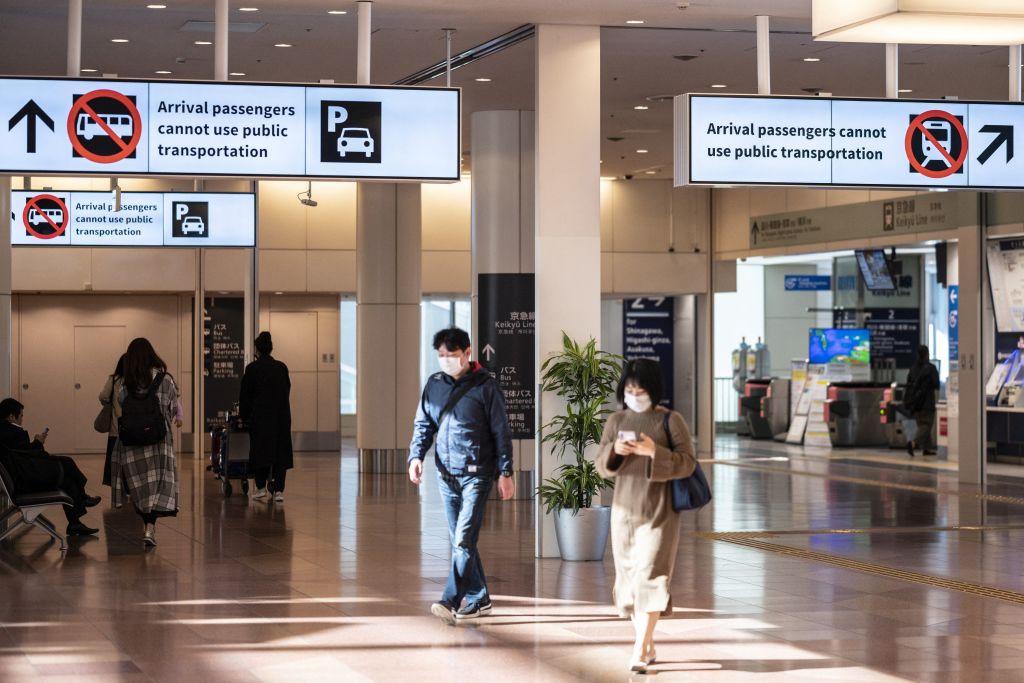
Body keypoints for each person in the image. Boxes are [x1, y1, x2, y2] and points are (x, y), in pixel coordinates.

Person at [595, 358, 697, 673]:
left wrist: (655, 451)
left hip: (660, 512)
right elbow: (600, 465)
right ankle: (648, 642)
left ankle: (639, 648)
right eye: (630, 390)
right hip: (624, 513)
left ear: (653, 390)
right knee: (628, 581)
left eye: (640, 390)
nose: (635, 395)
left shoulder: (671, 420)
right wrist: (615, 452)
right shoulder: (616, 420)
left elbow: (688, 462)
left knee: (651, 576)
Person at [408, 327, 515, 625]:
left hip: (476, 474)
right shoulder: (434, 384)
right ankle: (480, 598)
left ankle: (451, 599)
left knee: (464, 539)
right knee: (460, 540)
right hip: (445, 474)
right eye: (441, 355)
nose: (446, 360)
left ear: (467, 353)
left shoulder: (486, 387)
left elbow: (501, 432)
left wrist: (506, 471)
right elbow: (423, 424)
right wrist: (416, 456)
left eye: (452, 355)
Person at [111, 338, 181, 547]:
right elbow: (172, 408)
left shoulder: (126, 384)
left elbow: (121, 403)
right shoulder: (165, 380)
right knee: (157, 483)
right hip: (158, 440)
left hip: (132, 441)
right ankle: (150, 526)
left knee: (139, 485)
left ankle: (147, 523)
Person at [0, 398, 101, 536]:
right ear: (12, 416)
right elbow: (31, 456)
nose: (22, 419)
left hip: (19, 480)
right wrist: (38, 443)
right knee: (67, 462)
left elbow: (22, 455)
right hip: (24, 483)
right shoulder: (13, 432)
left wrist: (36, 444)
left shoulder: (4, 432)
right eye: (21, 416)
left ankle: (75, 524)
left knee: (68, 481)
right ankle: (83, 498)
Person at [239, 331, 293, 503]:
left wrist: (243, 415)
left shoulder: (252, 369)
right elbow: (287, 390)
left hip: (261, 417)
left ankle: (261, 487)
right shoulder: (281, 367)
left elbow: (245, 396)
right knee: (280, 451)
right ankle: (279, 491)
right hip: (281, 416)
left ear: (256, 350)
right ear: (271, 348)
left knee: (260, 449)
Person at [905, 344, 940, 456]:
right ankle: (913, 443)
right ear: (927, 354)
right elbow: (936, 384)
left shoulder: (912, 369)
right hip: (927, 402)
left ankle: (927, 448)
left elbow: (909, 384)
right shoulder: (931, 368)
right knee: (926, 425)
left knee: (922, 425)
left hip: (915, 403)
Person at [99, 354, 126, 487]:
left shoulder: (114, 379)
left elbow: (103, 396)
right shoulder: (138, 380)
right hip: (134, 429)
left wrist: (111, 403)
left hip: (116, 429)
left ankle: (116, 489)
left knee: (115, 463)